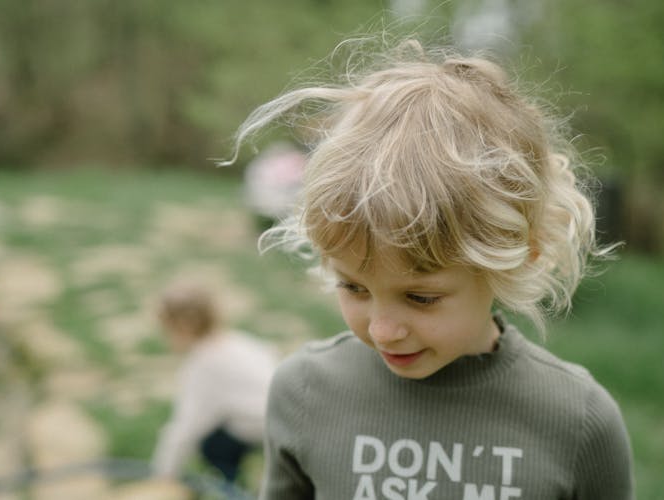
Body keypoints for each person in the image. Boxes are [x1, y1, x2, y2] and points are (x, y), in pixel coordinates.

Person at [224, 36, 634, 499]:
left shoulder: (578, 421)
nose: (382, 330)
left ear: (521, 254)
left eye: (421, 297)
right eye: (354, 288)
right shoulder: (303, 393)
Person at [151, 279, 278, 485]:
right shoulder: (240, 341)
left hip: (261, 424)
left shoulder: (203, 366)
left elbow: (186, 427)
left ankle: (229, 486)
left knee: (211, 445)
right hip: (281, 414)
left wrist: (164, 472)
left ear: (182, 328)